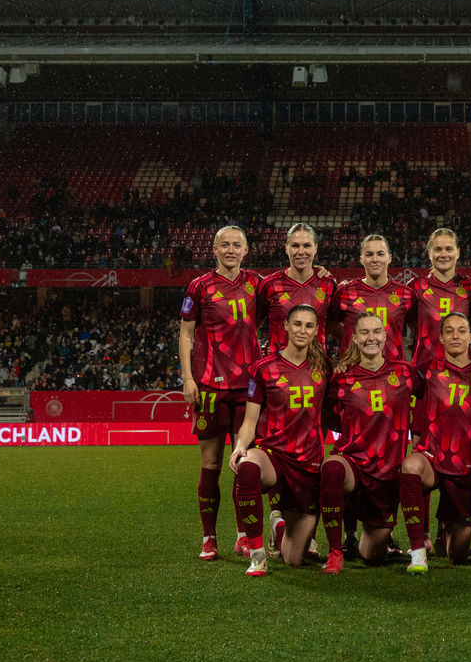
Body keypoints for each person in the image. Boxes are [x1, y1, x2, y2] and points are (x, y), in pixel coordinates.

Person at [179, 225, 262, 561]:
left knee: (244, 464)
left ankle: (244, 535)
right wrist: (187, 377)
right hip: (211, 386)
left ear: (246, 250)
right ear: (214, 250)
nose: (231, 250)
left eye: (236, 245)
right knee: (211, 463)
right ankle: (209, 537)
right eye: (224, 245)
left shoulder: (258, 283)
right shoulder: (199, 286)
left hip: (249, 389)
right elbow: (185, 334)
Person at [318, 313, 423, 574]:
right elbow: (325, 414)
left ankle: (373, 540)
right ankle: (335, 552)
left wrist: (420, 439)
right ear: (353, 338)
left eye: (376, 332)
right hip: (353, 464)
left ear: (385, 336)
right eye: (364, 332)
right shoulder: (342, 378)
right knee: (332, 468)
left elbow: (431, 399)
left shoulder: (405, 373)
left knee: (371, 557)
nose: (371, 338)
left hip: (387, 473)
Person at [229, 304, 329, 576]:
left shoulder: (325, 367)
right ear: (285, 326)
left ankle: (279, 526)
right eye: (296, 324)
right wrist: (240, 446)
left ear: (316, 331)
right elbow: (250, 421)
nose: (302, 330)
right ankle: (257, 553)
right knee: (248, 466)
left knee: (293, 559)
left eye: (309, 325)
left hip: (308, 464)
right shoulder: (263, 368)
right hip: (273, 456)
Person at [399, 312, 471, 572]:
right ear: (440, 337)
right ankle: (418, 550)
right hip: (431, 457)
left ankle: (445, 528)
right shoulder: (427, 370)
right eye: (449, 331)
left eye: (461, 331)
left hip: (463, 469)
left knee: (457, 555)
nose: (455, 336)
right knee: (410, 467)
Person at [330, 234, 415, 362]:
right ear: (361, 259)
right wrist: (353, 341)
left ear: (389, 258)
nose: (375, 259)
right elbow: (330, 326)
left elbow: (415, 327)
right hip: (354, 373)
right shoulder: (345, 292)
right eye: (369, 254)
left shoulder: (406, 294)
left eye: (380, 254)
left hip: (393, 373)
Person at [258, 222, 337, 354]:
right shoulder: (270, 284)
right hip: (277, 369)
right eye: (295, 246)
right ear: (286, 248)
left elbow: (334, 324)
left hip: (317, 368)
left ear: (315, 248)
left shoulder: (328, 284)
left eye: (307, 245)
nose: (301, 252)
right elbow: (254, 323)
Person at [409, 228, 471, 369]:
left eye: (449, 249)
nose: (443, 254)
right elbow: (406, 321)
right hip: (424, 370)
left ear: (458, 252)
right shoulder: (415, 287)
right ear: (429, 253)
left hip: (462, 371)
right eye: (438, 249)